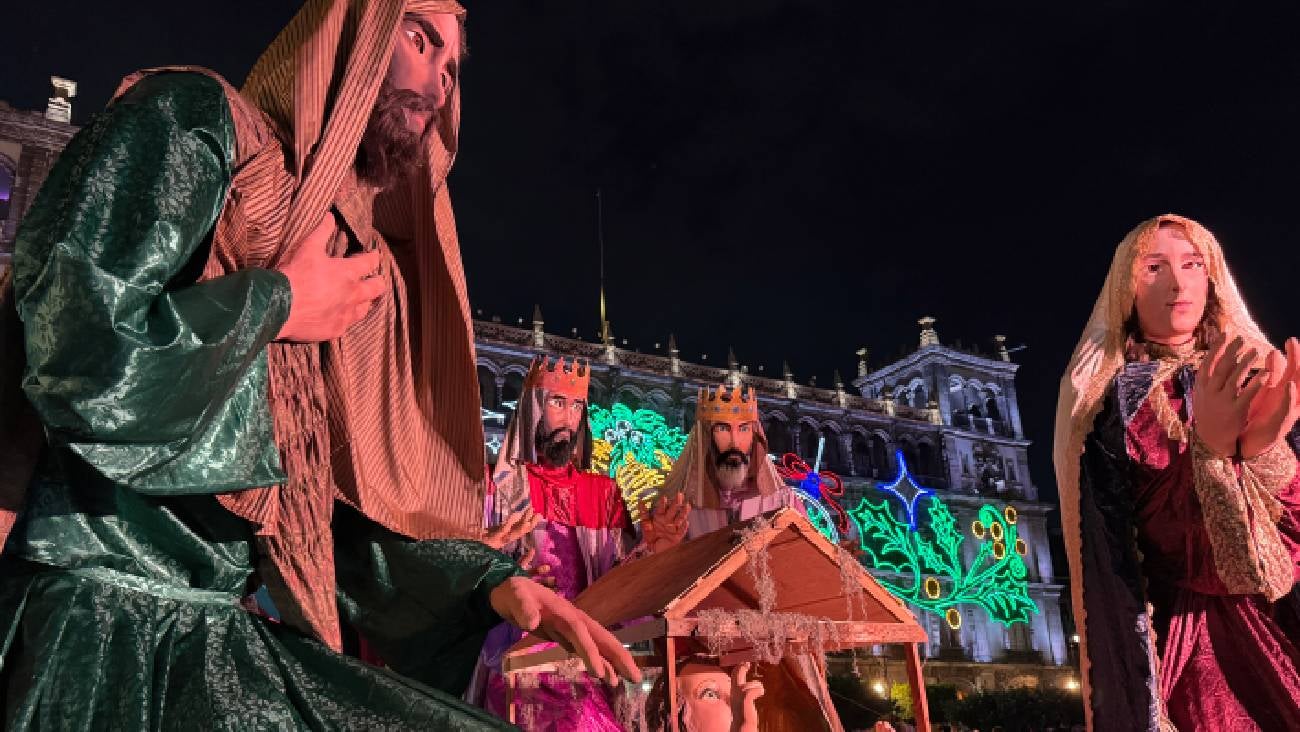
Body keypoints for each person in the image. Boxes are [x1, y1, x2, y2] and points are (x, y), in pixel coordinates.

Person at [0, 1, 638, 728]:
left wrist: (488, 585)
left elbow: (310, 512)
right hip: (85, 624)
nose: (439, 82)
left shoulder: (340, 258)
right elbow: (76, 353)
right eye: (419, 37)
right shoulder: (191, 119)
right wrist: (274, 304)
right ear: (353, 31)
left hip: (209, 634)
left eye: (453, 68)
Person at [1054, 214, 1300, 730]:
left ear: (1213, 276)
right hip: (1176, 636)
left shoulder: (1256, 371)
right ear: (1126, 287)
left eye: (1192, 264)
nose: (1177, 283)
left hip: (1274, 623)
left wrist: (1263, 450)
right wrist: (1212, 452)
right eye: (1154, 268)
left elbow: (1290, 534)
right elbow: (1154, 536)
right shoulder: (1113, 400)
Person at [469, 356, 690, 729]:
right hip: (514, 659)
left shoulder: (602, 493)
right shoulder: (494, 486)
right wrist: (501, 575)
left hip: (585, 663)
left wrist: (654, 553)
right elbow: (466, 571)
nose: (569, 419)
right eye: (558, 403)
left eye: (576, 407)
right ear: (533, 407)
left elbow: (620, 589)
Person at [659, 385, 801, 539]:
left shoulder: (784, 503)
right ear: (706, 437)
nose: (735, 443)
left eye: (744, 429)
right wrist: (662, 549)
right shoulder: (675, 508)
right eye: (722, 429)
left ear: (755, 436)